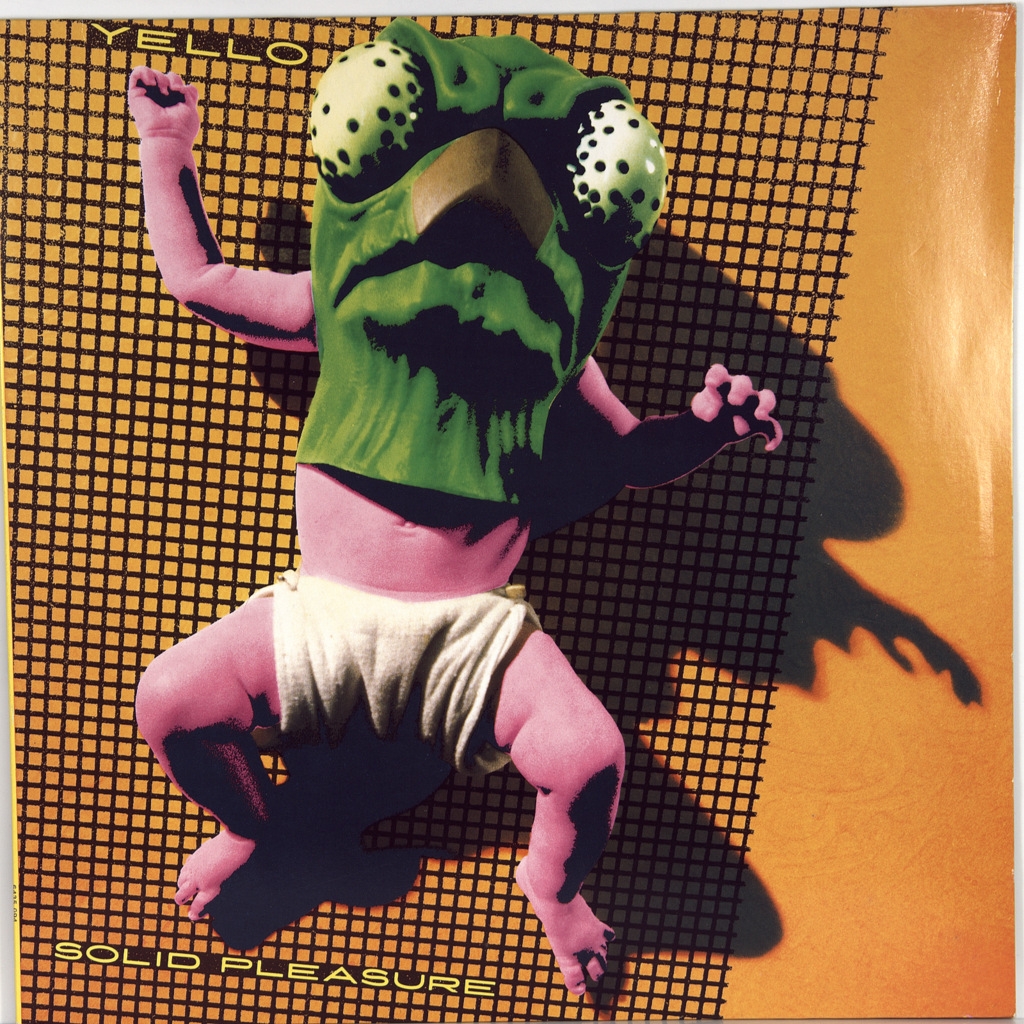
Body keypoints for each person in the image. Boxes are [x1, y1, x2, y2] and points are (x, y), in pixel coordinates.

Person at [128, 19, 781, 997]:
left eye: (608, 179)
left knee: (589, 755)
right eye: (373, 122)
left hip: (474, 640)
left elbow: (629, 457)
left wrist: (704, 428)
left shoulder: (557, 359)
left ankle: (552, 887)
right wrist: (166, 145)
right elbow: (199, 280)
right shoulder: (336, 303)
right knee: (171, 701)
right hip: (317, 619)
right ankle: (251, 826)